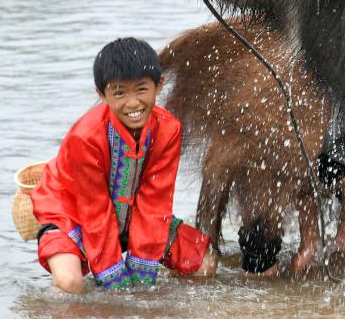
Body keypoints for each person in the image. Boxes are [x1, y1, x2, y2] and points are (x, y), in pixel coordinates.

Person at [31, 38, 217, 292]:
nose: (133, 103)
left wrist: (142, 283)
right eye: (119, 92)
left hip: (132, 213)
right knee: (69, 281)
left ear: (159, 85)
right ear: (101, 94)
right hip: (73, 212)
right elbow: (94, 211)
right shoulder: (85, 137)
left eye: (141, 89)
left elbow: (156, 200)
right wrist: (116, 284)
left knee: (204, 265)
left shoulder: (169, 129)